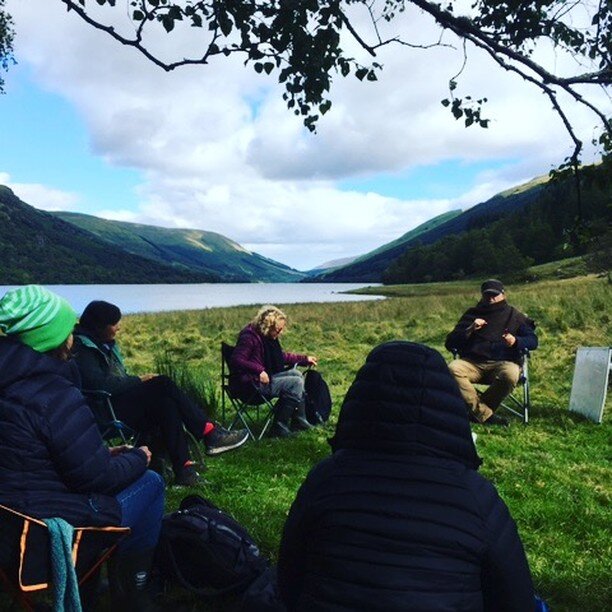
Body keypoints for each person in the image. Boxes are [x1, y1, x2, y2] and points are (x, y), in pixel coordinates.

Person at [278, 341, 541, 611]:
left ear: (363, 400)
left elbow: (287, 581)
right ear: (447, 403)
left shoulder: (325, 478)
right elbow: (516, 600)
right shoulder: (476, 495)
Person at [0, 285, 164, 610]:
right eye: (68, 328)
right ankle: (134, 591)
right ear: (53, 338)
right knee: (151, 483)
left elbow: (28, 456)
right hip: (38, 533)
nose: (73, 334)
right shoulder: (52, 393)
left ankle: (94, 582)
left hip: (8, 522)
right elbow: (97, 478)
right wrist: (137, 457)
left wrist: (104, 454)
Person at [72, 300, 248, 487]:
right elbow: (100, 384)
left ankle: (185, 470)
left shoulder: (103, 344)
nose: (118, 328)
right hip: (103, 411)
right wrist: (139, 380)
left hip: (117, 404)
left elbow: (117, 380)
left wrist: (137, 381)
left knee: (166, 404)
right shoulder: (82, 349)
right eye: (114, 323)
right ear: (99, 326)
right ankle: (209, 433)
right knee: (162, 383)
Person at [445, 279, 538, 426]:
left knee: (511, 374)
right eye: (487, 295)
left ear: (503, 295)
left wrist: (515, 341)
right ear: (482, 296)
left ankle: (476, 411)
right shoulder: (472, 314)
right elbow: (450, 342)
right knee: (452, 369)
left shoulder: (515, 316)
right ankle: (485, 415)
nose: (491, 298)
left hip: (503, 363)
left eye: (495, 295)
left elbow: (533, 341)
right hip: (472, 363)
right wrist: (470, 329)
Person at [230, 305, 317, 438]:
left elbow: (280, 357)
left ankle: (299, 420)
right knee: (295, 383)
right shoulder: (249, 337)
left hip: (259, 379)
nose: (280, 332)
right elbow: (236, 359)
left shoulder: (265, 337)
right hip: (250, 385)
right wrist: (259, 370)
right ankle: (279, 428)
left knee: (297, 374)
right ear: (268, 327)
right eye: (278, 329)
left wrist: (304, 359)